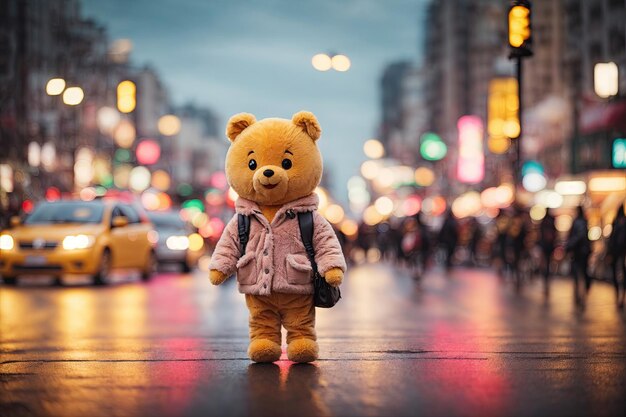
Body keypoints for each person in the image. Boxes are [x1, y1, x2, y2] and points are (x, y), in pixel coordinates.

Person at [566, 206, 592, 305]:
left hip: (579, 251)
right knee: (583, 271)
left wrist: (570, 246)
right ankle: (583, 289)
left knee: (578, 271)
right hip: (584, 251)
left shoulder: (577, 222)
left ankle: (579, 292)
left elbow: (577, 237)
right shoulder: (584, 221)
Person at [608, 203, 626, 308]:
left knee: (615, 273)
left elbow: (611, 238)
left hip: (615, 252)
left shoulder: (615, 221)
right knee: (623, 272)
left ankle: (617, 295)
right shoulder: (624, 221)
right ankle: (622, 296)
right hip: (623, 251)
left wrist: (609, 251)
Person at [539, 210, 557, 293]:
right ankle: (548, 278)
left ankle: (546, 279)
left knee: (545, 264)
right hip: (550, 246)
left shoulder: (543, 221)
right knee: (548, 263)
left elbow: (540, 234)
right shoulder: (552, 220)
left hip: (545, 246)